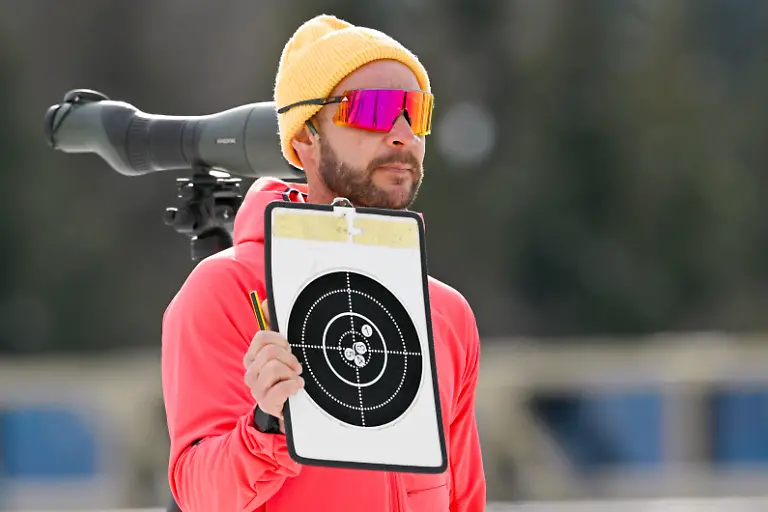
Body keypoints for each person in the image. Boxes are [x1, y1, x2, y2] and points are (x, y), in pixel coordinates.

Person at [161, 14, 486, 512]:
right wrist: (266, 424)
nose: (402, 135)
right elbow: (201, 495)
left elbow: (464, 500)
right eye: (374, 110)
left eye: (415, 113)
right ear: (304, 139)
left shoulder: (446, 314)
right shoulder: (225, 290)